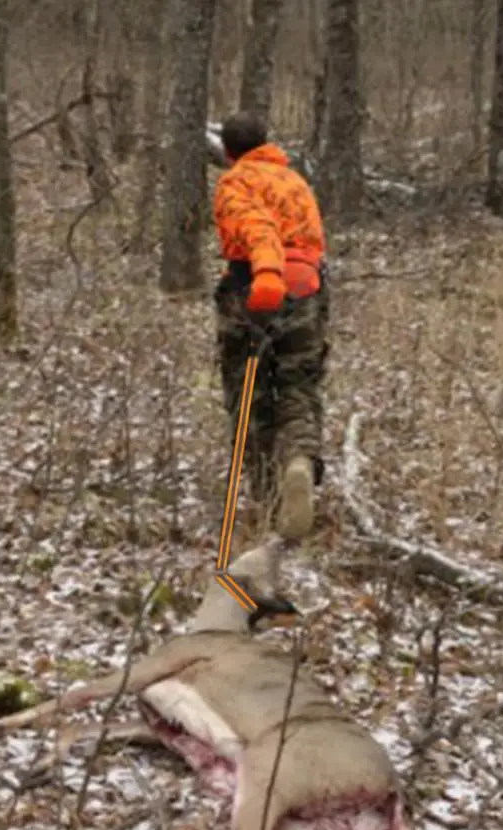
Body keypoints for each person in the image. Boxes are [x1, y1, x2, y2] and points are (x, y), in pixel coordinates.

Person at [212, 112, 330, 541]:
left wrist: (265, 275)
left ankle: (267, 498)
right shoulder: (294, 182)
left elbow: (258, 229)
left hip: (256, 290)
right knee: (298, 386)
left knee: (250, 394)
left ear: (228, 152)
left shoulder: (235, 182)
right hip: (308, 291)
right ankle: (298, 459)